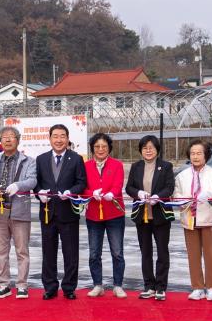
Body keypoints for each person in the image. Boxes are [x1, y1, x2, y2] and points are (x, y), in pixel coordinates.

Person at [0, 126, 37, 299]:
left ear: (18, 140)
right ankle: (3, 284)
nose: (8, 140)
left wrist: (18, 186)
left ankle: (22, 285)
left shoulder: (29, 161)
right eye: (4, 137)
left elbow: (32, 181)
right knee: (0, 251)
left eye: (12, 136)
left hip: (20, 211)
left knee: (22, 251)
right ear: (0, 141)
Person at [35, 124, 87, 299]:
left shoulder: (76, 159)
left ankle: (69, 287)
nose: (59, 140)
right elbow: (36, 183)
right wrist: (40, 193)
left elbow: (81, 182)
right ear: (50, 139)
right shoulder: (41, 159)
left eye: (62, 136)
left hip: (68, 213)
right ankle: (50, 287)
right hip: (47, 212)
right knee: (48, 253)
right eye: (55, 136)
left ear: (67, 138)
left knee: (71, 253)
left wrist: (71, 192)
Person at [173, 139, 212, 301]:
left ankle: (211, 287)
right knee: (193, 255)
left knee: (211, 255)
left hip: (209, 219)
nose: (195, 156)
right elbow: (176, 194)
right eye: (192, 153)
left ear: (206, 155)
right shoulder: (182, 176)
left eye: (199, 153)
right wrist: (182, 200)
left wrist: (209, 194)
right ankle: (197, 287)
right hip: (190, 219)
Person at [125, 135, 175, 300]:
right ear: (140, 150)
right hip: (142, 216)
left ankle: (161, 287)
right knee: (145, 252)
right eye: (145, 148)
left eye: (151, 148)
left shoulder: (166, 166)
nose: (148, 151)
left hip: (160, 215)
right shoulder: (136, 166)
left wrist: (158, 197)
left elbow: (169, 187)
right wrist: (138, 193)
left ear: (157, 150)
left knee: (162, 252)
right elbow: (129, 187)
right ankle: (149, 286)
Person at [83, 133, 127, 298]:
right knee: (94, 253)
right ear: (92, 148)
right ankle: (97, 285)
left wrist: (112, 194)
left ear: (109, 148)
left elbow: (118, 184)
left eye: (104, 146)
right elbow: (82, 187)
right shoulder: (86, 166)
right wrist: (90, 193)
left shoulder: (117, 165)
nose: (100, 149)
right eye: (97, 146)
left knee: (117, 252)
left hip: (114, 214)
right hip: (94, 215)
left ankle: (118, 285)